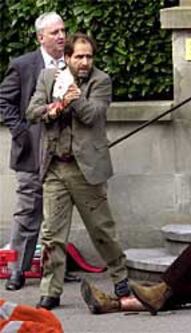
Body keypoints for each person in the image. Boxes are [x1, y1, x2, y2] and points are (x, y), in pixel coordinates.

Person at [25, 32, 130, 310]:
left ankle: (121, 278)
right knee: (52, 235)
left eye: (89, 56)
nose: (85, 62)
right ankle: (50, 291)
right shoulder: (48, 78)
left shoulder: (101, 80)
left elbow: (93, 115)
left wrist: (74, 98)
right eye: (79, 57)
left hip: (86, 170)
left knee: (102, 231)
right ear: (67, 57)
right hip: (55, 167)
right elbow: (32, 112)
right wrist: (54, 108)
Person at [0, 12, 66, 291]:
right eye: (55, 33)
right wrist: (21, 132)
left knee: (58, 214)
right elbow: (5, 101)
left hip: (65, 152)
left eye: (63, 31)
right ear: (41, 37)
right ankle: (17, 270)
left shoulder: (73, 62)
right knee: (28, 213)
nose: (62, 36)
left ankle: (54, 272)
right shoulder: (24, 65)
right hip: (32, 153)